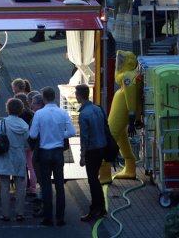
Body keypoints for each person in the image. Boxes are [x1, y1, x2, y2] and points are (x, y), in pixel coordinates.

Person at [29, 86, 76, 226]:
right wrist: (60, 135)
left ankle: (48, 218)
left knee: (46, 185)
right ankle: (60, 218)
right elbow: (72, 131)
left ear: (43, 98)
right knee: (60, 185)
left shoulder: (39, 114)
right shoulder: (62, 113)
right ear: (54, 97)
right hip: (58, 151)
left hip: (44, 152)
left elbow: (32, 135)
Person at [100, 50, 142, 184]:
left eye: (121, 61)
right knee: (121, 139)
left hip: (122, 114)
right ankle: (130, 168)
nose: (118, 64)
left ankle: (105, 174)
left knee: (110, 138)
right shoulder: (130, 76)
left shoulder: (128, 77)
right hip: (122, 114)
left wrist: (132, 119)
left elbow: (131, 100)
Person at [0, 98, 30, 222]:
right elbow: (27, 144)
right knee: (20, 187)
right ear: (21, 110)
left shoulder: (3, 123)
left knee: (4, 186)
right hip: (19, 157)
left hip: (5, 157)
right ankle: (20, 213)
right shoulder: (24, 125)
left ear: (8, 108)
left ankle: (5, 214)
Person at [75, 84, 108, 222]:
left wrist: (82, 156)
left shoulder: (84, 114)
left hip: (92, 150)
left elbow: (84, 137)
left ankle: (95, 209)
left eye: (76, 93)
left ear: (79, 95)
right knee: (95, 179)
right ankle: (101, 207)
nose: (75, 95)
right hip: (102, 147)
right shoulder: (97, 109)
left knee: (92, 180)